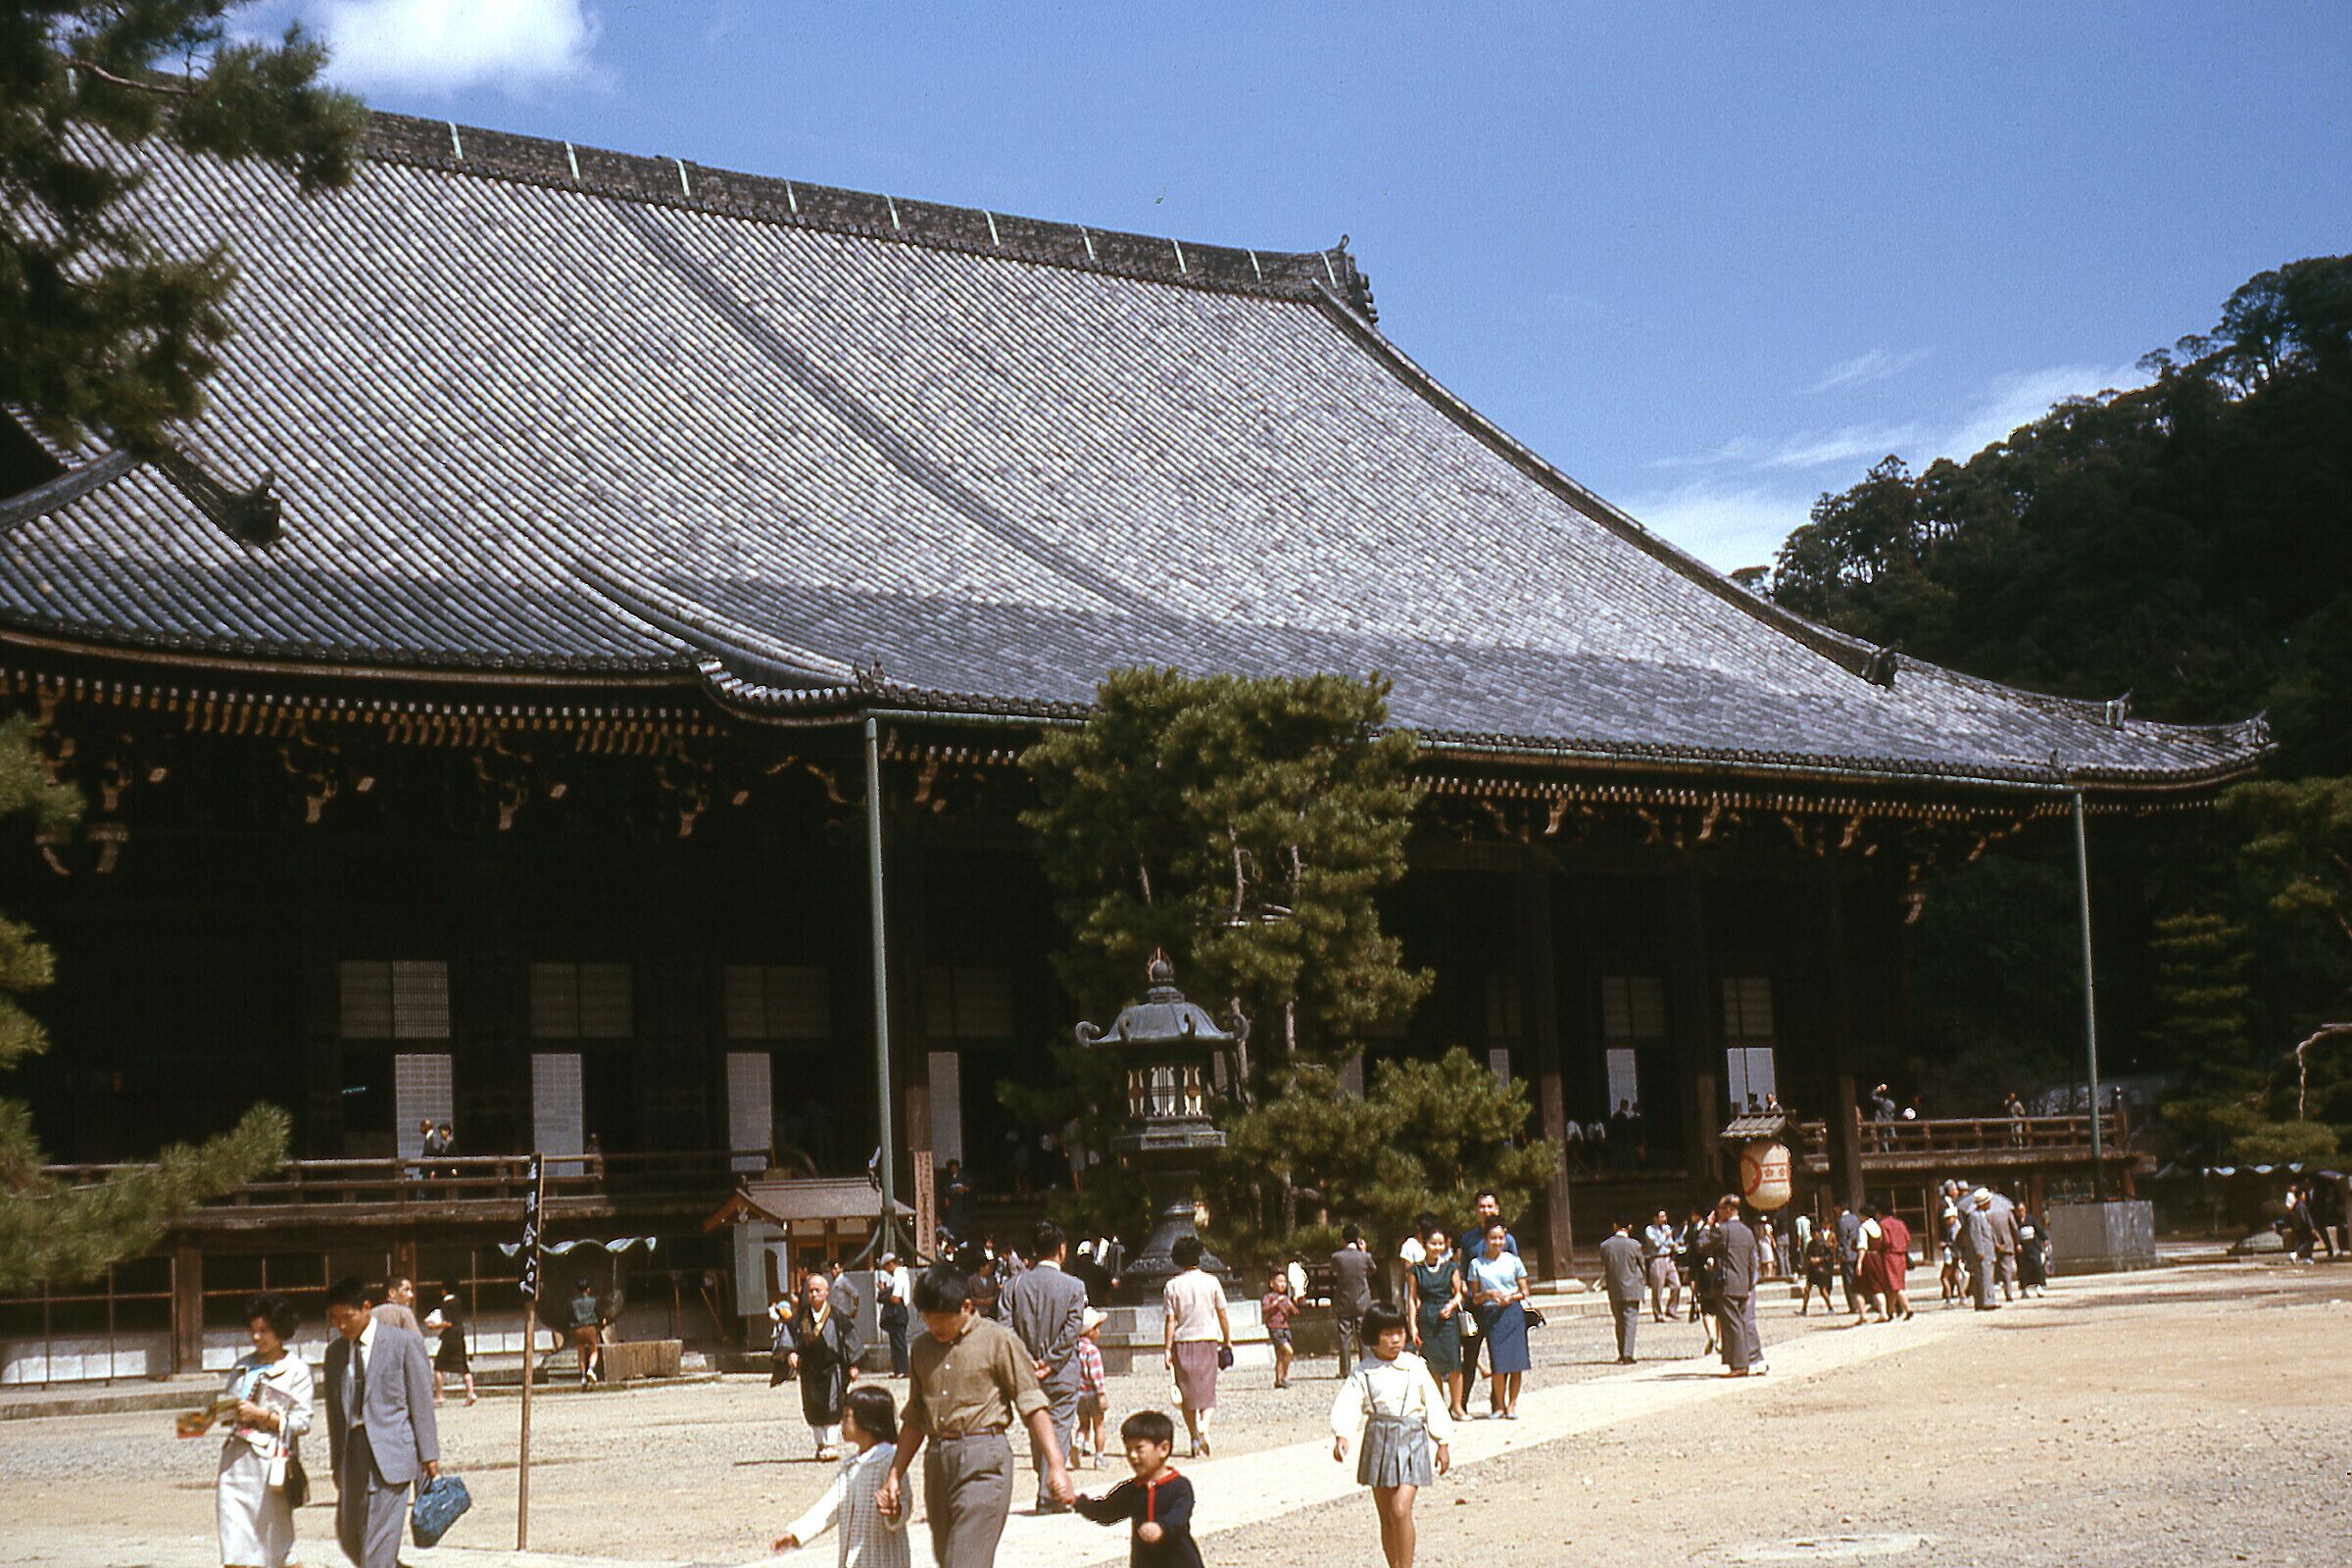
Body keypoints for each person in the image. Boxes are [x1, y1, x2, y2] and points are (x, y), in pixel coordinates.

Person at [876, 1261, 1074, 1568]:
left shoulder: (999, 1340)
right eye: (927, 1318)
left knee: (965, 1561)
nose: (934, 1326)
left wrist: (1056, 1466)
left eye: (942, 1318)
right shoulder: (922, 1348)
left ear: (967, 1307)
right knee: (947, 1559)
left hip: (985, 1460)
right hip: (938, 1461)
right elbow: (916, 1416)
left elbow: (1033, 1405)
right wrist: (894, 1473)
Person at [321, 1274, 438, 1568]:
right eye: (334, 1319)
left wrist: (429, 1454)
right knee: (350, 1537)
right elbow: (335, 1415)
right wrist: (337, 1462)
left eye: (347, 1317)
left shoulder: (404, 1344)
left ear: (366, 1307)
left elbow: (422, 1403)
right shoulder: (334, 1354)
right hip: (354, 1455)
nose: (341, 1325)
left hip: (394, 1452)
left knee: (378, 1547)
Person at [1330, 1300, 1452, 1568]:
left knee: (1400, 1510)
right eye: (1387, 1334)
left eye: (1399, 1332)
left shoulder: (1414, 1366)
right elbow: (1349, 1402)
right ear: (1373, 1337)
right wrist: (1342, 1435)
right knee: (1386, 1515)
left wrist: (1442, 1441)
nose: (1395, 1339)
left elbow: (1433, 1401)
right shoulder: (1364, 1370)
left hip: (1411, 1439)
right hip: (1378, 1440)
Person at [216, 1291, 313, 1568]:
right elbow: (230, 1403)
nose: (256, 1338)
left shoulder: (297, 1370)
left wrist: (264, 1416)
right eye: (253, 1330)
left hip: (271, 1464)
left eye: (264, 1331)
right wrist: (220, 1412)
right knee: (233, 1543)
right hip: (235, 1462)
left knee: (272, 1547)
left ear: (281, 1331)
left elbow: (302, 1421)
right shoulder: (242, 1366)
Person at [999, 1221, 1089, 1510]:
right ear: (1062, 1250)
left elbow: (1005, 1327)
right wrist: (1051, 1361)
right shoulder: (1074, 1286)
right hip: (1061, 1371)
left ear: (1034, 1251)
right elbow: (1073, 1327)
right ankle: (1048, 1493)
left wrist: (1027, 1361)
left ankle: (1045, 1484)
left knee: (1037, 1429)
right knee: (1060, 1427)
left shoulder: (1014, 1286)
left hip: (1025, 1373)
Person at [774, 1383, 909, 1568]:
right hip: (854, 1562)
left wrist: (895, 1511)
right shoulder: (851, 1466)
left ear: (867, 1421)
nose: (841, 1423)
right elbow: (831, 1505)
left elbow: (906, 1503)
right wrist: (797, 1533)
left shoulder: (890, 1461)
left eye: (847, 1417)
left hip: (884, 1560)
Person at [1074, 1408, 1202, 1568]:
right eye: (1128, 1449)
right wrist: (1078, 1503)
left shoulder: (1179, 1487)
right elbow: (1106, 1511)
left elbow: (1179, 1515)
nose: (1132, 1456)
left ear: (1163, 1449)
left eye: (1139, 1449)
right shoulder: (1132, 1490)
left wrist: (1162, 1527)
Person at [1160, 1235, 1232, 1458]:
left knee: (1187, 1395)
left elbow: (1170, 1320)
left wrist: (1167, 1348)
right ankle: (1204, 1426)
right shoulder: (1211, 1282)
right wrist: (1227, 1340)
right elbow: (1222, 1313)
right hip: (1208, 1339)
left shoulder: (1172, 1286)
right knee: (1208, 1392)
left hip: (1182, 1342)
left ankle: (1193, 1437)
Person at [788, 1270, 861, 1460]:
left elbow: (850, 1339)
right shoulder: (800, 1317)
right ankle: (820, 1444)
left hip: (832, 1368)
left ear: (827, 1291)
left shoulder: (837, 1316)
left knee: (833, 1405)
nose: (813, 1294)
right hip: (809, 1369)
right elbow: (789, 1338)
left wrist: (853, 1364)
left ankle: (831, 1444)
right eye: (810, 1291)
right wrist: (791, 1353)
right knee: (812, 1405)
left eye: (818, 1290)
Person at [1467, 1219, 1530, 1417]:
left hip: (1512, 1312)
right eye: (1493, 1238)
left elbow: (1525, 1290)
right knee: (1498, 1362)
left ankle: (1512, 1405)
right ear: (1486, 1239)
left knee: (1517, 1362)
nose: (1497, 1242)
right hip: (1491, 1313)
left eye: (1501, 1238)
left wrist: (1511, 1297)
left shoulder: (1513, 1261)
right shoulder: (1476, 1264)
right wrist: (1488, 1295)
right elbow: (1475, 1296)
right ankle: (1499, 1405)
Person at [1406, 1223, 1466, 1419]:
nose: (1437, 1248)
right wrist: (1413, 1326)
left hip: (1448, 1318)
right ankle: (1437, 1406)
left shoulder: (1451, 1267)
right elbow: (1412, 1300)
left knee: (1454, 1364)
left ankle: (1457, 1406)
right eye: (1433, 1244)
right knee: (1433, 1367)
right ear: (1425, 1245)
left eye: (1441, 1244)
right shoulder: (1416, 1270)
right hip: (1427, 1318)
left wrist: (1451, 1306)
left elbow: (1458, 1294)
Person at [1699, 1195, 1764, 1376]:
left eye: (1720, 1209)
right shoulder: (1747, 1231)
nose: (1718, 1213)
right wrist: (1750, 1285)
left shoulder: (1723, 1230)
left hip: (1727, 1283)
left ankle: (1739, 1365)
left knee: (1732, 1325)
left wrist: (1707, 1226)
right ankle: (1740, 1360)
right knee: (1739, 1323)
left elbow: (1702, 1245)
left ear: (1728, 1209)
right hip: (1743, 1284)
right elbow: (1752, 1261)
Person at [1330, 1225, 1376, 1378]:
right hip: (1362, 1299)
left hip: (1343, 1300)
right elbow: (1373, 1270)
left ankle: (1344, 1370)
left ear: (1343, 1239)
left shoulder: (1337, 1257)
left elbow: (1334, 1271)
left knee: (1344, 1335)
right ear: (1358, 1239)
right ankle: (1366, 1365)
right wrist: (1364, 1251)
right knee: (1363, 1333)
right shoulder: (1365, 1257)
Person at [1597, 1217, 1644, 1364]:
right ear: (1630, 1227)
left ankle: (1621, 1351)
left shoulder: (1605, 1246)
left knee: (1619, 1321)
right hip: (1632, 1287)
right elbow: (1642, 1265)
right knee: (1630, 1321)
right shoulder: (1635, 1245)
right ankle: (1628, 1353)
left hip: (1614, 1288)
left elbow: (1605, 1265)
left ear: (1615, 1226)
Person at [423, 1288, 475, 1406]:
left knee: (438, 1366)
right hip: (459, 1334)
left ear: (444, 1290)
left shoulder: (446, 1304)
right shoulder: (458, 1301)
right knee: (463, 1365)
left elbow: (448, 1323)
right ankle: (471, 1392)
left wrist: (434, 1326)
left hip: (449, 1336)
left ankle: (439, 1395)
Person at [1074, 1308, 1110, 1468]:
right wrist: (1101, 1394)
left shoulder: (1073, 1349)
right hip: (1093, 1394)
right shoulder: (1092, 1351)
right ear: (1090, 1331)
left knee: (1083, 1424)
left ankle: (1079, 1443)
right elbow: (1096, 1375)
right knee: (1099, 1425)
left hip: (1078, 1394)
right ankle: (1099, 1457)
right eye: (1097, 1328)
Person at [1872, 1203, 1915, 1321]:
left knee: (1895, 1285)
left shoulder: (1883, 1224)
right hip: (1901, 1255)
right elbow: (1908, 1238)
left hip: (1890, 1255)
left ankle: (1908, 1308)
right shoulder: (1900, 1223)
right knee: (1894, 1285)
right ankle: (1890, 1311)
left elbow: (1886, 1241)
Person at [1962, 1190, 2000, 1310]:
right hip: (1983, 1251)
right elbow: (1975, 1234)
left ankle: (1985, 1300)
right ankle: (1986, 1301)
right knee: (1984, 1276)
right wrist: (1979, 1250)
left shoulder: (1984, 1215)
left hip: (1989, 1250)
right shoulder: (1975, 1216)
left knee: (1987, 1276)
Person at [1642, 1209, 1682, 1323]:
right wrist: (1664, 1235)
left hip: (1668, 1258)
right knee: (1657, 1288)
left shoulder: (1667, 1228)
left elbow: (1669, 1242)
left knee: (1676, 1285)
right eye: (1661, 1217)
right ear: (1655, 1218)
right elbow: (1656, 1244)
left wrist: (1674, 1245)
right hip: (1657, 1259)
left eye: (1665, 1216)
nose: (1664, 1219)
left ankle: (1671, 1309)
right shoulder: (1650, 1230)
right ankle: (1658, 1313)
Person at [877, 1251, 912, 1378]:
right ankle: (899, 1370)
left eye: (886, 1267)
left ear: (890, 1264)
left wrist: (883, 1293)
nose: (886, 1271)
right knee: (896, 1342)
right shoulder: (902, 1274)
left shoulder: (898, 1274)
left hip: (897, 1312)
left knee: (899, 1343)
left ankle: (903, 1369)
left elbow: (895, 1298)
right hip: (900, 1312)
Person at [1260, 1271, 1298, 1391]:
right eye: (1279, 1281)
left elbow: (1295, 1313)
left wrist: (1293, 1304)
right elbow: (1265, 1309)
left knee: (1280, 1355)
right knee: (1288, 1351)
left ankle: (1278, 1379)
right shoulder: (1268, 1297)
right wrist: (1276, 1303)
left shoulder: (1286, 1298)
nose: (1282, 1285)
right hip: (1274, 1327)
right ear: (1272, 1284)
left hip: (1285, 1327)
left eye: (1284, 1282)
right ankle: (1284, 1377)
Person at [566, 1277, 606, 1387]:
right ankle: (591, 1369)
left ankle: (583, 1376)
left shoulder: (572, 1302)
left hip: (577, 1328)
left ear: (576, 1290)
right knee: (593, 1349)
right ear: (588, 1289)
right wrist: (602, 1321)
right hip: (590, 1327)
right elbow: (599, 1313)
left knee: (581, 1352)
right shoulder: (593, 1300)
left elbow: (569, 1315)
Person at [1991, 1190, 2023, 1300]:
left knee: (1992, 1269)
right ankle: (2008, 1293)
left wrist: (1995, 1242)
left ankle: (1991, 1294)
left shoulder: (1987, 1213)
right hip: (2007, 1243)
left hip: (1993, 1245)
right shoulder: (2006, 1210)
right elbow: (2014, 1227)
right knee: (2007, 1270)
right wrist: (2017, 1242)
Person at [1799, 1224, 1838, 1315]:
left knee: (1823, 1290)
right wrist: (1810, 1259)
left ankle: (1830, 1308)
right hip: (1812, 1269)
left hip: (1821, 1270)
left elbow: (1829, 1256)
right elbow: (1807, 1254)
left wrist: (1819, 1260)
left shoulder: (1824, 1244)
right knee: (1807, 1289)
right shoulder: (1810, 1244)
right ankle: (1804, 1309)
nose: (1814, 1235)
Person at [1834, 1201, 1863, 1316]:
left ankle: (1853, 1305)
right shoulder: (1855, 1219)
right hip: (1856, 1252)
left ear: (1839, 1208)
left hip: (1848, 1255)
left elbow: (1842, 1241)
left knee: (1849, 1281)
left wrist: (1839, 1255)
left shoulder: (1842, 1221)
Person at [2015, 1204, 2050, 1297]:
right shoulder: (2015, 1221)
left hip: (2033, 1246)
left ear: (2025, 1209)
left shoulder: (2031, 1219)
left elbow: (2039, 1229)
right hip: (2022, 1248)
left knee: (2037, 1266)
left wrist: (2045, 1239)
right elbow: (2013, 1234)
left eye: (2022, 1210)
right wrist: (2017, 1244)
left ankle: (2039, 1287)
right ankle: (2024, 1290)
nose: (2020, 1212)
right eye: (2018, 1210)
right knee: (2022, 1269)